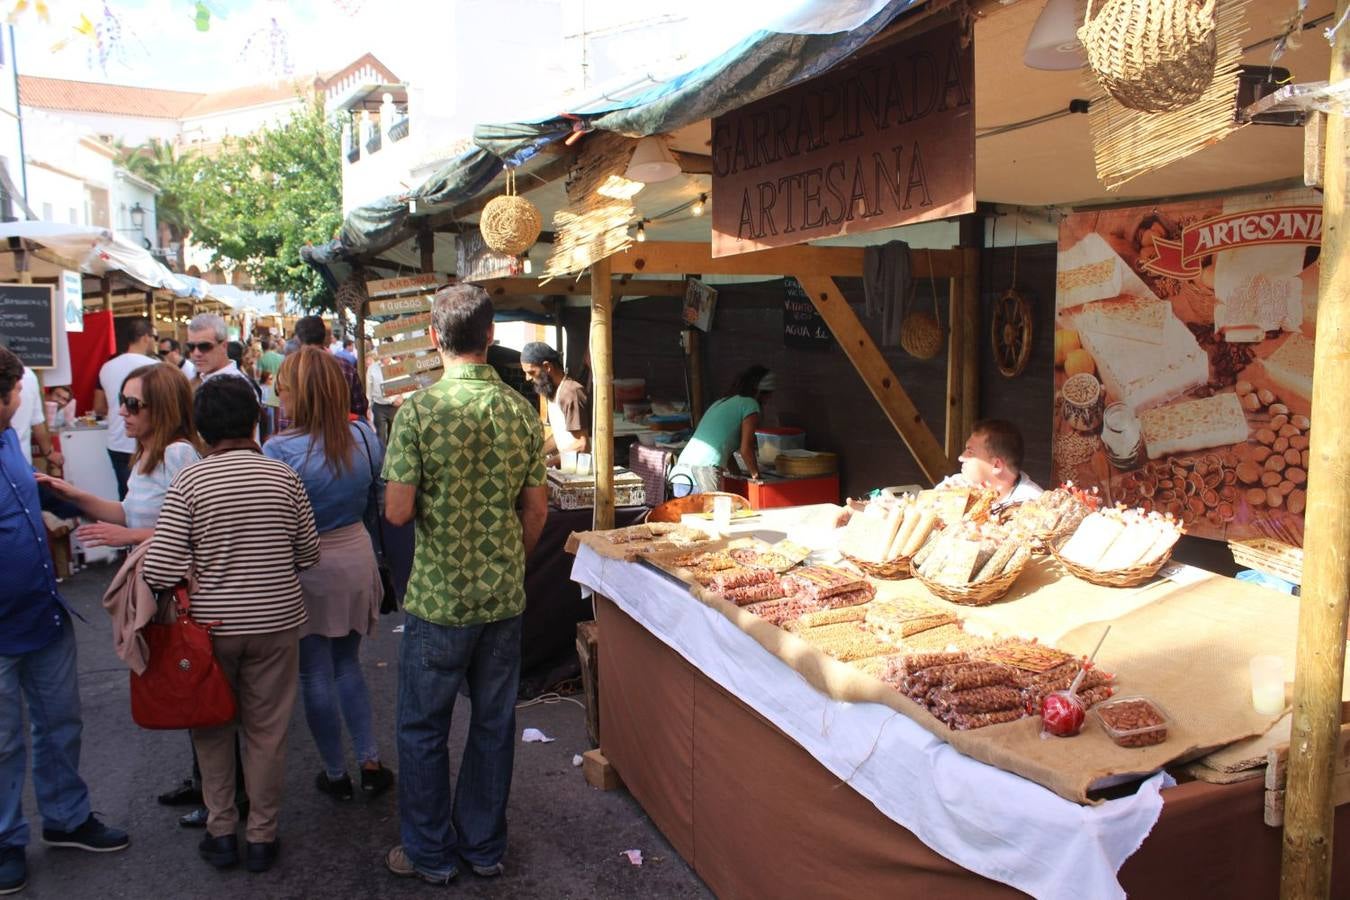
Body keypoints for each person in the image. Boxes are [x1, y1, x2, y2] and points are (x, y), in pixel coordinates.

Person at [381, 284, 547, 885]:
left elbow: (397, 512)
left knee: (423, 728)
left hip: (438, 599)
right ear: (491, 335)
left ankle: (428, 854)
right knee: (493, 725)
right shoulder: (520, 411)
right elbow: (537, 510)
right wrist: (510, 560)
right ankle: (482, 847)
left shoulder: (419, 412)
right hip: (502, 598)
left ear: (433, 338)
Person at [142, 376, 321, 874]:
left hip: (211, 628)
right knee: (267, 732)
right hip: (277, 621)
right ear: (255, 422)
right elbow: (308, 553)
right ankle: (262, 836)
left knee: (213, 729)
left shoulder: (191, 482)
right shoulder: (282, 478)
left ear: (202, 431)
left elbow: (157, 568)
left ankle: (221, 833)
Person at [1, 347, 131, 896]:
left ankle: (66, 818)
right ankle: (5, 839)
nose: (17, 404)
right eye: (14, 395)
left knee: (60, 722)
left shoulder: (8, 437)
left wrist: (57, 498)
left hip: (41, 612)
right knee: (2, 742)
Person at [264, 348, 393, 803]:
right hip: (355, 555)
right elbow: (380, 501)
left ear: (296, 394)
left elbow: (275, 519)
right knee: (347, 665)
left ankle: (335, 772)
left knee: (314, 673)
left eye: (282, 386)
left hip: (305, 565)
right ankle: (370, 759)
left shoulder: (277, 450)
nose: (276, 394)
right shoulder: (362, 435)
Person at [671, 365, 774, 495]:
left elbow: (726, 450)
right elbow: (746, 449)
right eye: (769, 395)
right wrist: (757, 477)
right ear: (761, 392)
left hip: (681, 472)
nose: (769, 400)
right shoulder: (750, 405)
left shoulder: (721, 403)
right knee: (710, 515)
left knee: (686, 516)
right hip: (703, 474)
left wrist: (738, 475)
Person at [94, 317, 158, 499]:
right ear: (146, 337)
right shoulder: (155, 368)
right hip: (146, 441)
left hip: (116, 441)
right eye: (154, 336)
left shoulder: (106, 367)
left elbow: (99, 407)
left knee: (125, 496)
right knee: (149, 499)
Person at [938, 419, 1044, 511]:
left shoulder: (1035, 506)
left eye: (970, 452)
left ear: (997, 465)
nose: (961, 457)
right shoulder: (955, 485)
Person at [519, 342, 590, 467]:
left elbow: (582, 444)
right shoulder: (554, 392)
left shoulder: (570, 393)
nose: (527, 378)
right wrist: (534, 457)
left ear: (547, 367)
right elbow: (561, 436)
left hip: (583, 472)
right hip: (570, 469)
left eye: (531, 372)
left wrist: (545, 464)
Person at [294, 316, 367, 417]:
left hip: (302, 430)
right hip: (341, 429)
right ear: (325, 337)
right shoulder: (345, 366)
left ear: (298, 339)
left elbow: (284, 418)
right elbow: (360, 407)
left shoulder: (290, 367)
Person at [14, 367, 62, 469]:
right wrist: (48, 453)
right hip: (21, 462)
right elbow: (37, 423)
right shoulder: (28, 375)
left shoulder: (27, 375)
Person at [185, 314, 246, 385]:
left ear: (224, 346)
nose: (196, 353)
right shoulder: (199, 381)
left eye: (204, 346)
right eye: (191, 346)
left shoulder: (237, 387)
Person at [366, 352, 399, 446]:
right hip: (379, 407)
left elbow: (408, 384)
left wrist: (402, 397)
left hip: (395, 406)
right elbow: (369, 390)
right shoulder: (372, 368)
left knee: (394, 435)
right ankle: (382, 459)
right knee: (380, 436)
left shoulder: (398, 365)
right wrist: (367, 407)